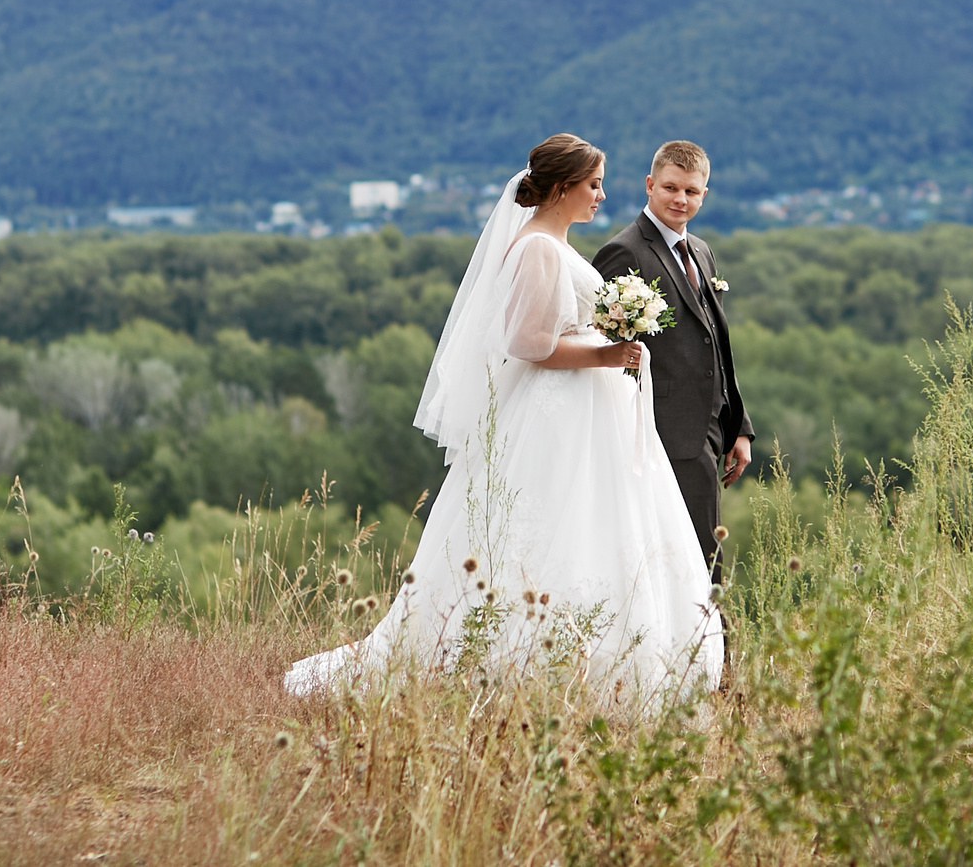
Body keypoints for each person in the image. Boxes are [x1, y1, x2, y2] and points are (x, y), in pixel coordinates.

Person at [283, 133, 723, 702]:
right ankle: (525, 661)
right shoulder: (538, 248)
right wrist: (607, 353)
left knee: (589, 524)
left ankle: (593, 657)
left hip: (584, 409)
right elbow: (529, 343)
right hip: (559, 411)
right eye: (592, 185)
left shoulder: (551, 244)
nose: (599, 195)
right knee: (551, 528)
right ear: (563, 188)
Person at [592, 140, 751, 577]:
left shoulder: (700, 250)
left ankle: (707, 646)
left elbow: (715, 345)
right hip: (660, 430)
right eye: (671, 188)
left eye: (692, 192)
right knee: (692, 559)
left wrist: (739, 427)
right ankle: (714, 646)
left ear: (704, 194)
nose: (681, 199)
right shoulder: (625, 251)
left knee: (704, 552)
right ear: (649, 185)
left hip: (712, 426)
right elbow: (600, 346)